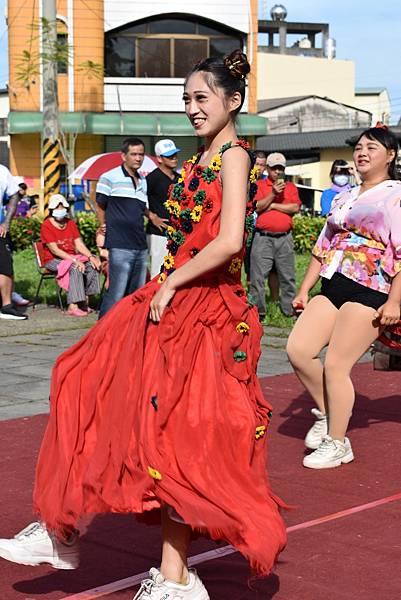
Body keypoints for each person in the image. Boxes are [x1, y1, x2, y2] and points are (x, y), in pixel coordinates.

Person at [0, 50, 286, 599]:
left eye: (202, 98)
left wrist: (173, 283)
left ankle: (172, 578)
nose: (192, 108)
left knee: (174, 441)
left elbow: (229, 242)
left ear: (233, 101)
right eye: (186, 99)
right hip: (172, 296)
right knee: (79, 377)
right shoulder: (198, 161)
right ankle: (61, 528)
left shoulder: (235, 158)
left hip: (207, 311)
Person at [286, 124, 401, 469]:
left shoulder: (395, 196)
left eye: (372, 148)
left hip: (372, 287)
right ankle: (326, 412)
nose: (362, 153)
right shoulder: (344, 195)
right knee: (298, 350)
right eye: (359, 148)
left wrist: (395, 301)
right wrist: (305, 289)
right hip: (333, 282)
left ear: (391, 156)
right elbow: (324, 246)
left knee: (337, 365)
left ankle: (338, 442)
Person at [96, 137, 166, 318]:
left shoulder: (142, 180)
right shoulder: (109, 177)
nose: (138, 158)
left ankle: (125, 332)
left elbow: (141, 206)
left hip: (140, 245)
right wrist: (102, 226)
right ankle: (102, 333)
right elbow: (100, 205)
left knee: (135, 294)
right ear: (124, 156)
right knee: (116, 293)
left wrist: (152, 216)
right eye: (133, 154)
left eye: (141, 154)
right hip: (119, 244)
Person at [250, 152, 301, 320]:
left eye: (280, 168)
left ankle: (288, 311)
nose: (277, 172)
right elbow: (256, 207)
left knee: (288, 276)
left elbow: (294, 208)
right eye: (274, 168)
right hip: (262, 237)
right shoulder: (258, 186)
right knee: (257, 277)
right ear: (268, 169)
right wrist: (272, 193)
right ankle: (258, 313)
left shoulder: (291, 187)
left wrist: (272, 206)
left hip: (284, 238)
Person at [40, 194, 101, 316]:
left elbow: (79, 244)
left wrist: (91, 256)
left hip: (71, 257)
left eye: (62, 208)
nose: (60, 211)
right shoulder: (46, 225)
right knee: (75, 267)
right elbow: (55, 250)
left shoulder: (71, 223)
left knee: (91, 265)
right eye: (57, 208)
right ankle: (72, 305)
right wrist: (73, 260)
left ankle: (85, 302)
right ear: (51, 210)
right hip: (53, 260)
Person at [146, 139, 180, 278]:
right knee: (158, 273)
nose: (174, 158)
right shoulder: (151, 178)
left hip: (178, 233)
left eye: (175, 154)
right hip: (158, 233)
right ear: (159, 158)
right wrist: (152, 217)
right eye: (169, 156)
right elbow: (138, 200)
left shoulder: (180, 178)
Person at [0, 164, 28, 320]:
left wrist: (6, 222)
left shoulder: (2, 171)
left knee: (5, 266)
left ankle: (6, 307)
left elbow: (15, 195)